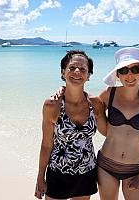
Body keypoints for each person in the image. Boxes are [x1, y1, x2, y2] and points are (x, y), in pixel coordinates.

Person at [34, 50, 107, 200]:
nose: (77, 72)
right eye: (72, 68)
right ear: (63, 72)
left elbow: (109, 133)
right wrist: (40, 177)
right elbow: (46, 144)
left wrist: (137, 147)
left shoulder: (96, 104)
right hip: (58, 171)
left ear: (88, 76)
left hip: (86, 171)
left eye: (83, 69)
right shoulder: (52, 105)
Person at [98, 47, 139, 200]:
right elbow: (83, 104)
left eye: (135, 69)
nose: (129, 75)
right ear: (117, 75)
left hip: (136, 170)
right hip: (106, 166)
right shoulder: (109, 94)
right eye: (123, 70)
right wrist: (62, 90)